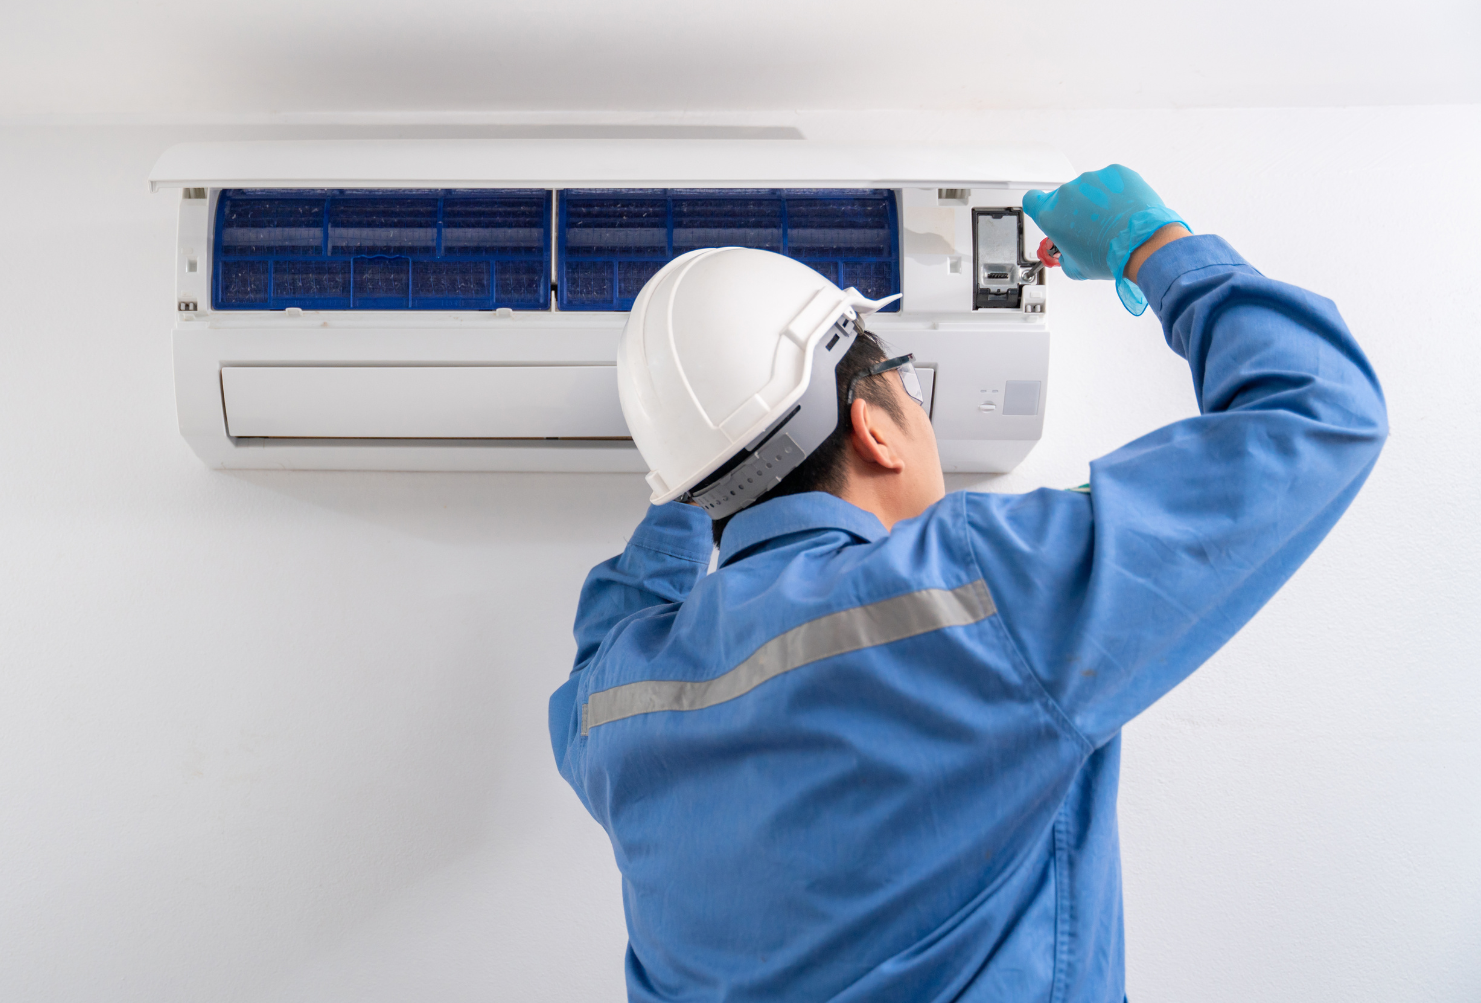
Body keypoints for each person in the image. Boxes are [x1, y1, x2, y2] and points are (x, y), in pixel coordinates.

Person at [548, 166, 1387, 1002]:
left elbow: (621, 613)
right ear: (874, 427)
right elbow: (1318, 413)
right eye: (906, 382)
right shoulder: (979, 591)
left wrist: (697, 454)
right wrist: (1153, 245)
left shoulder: (615, 705)